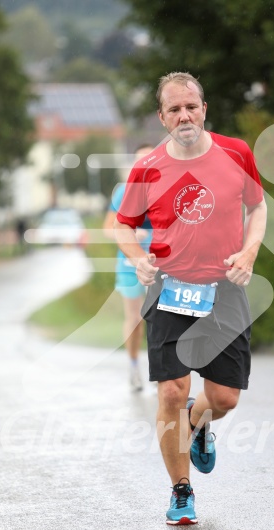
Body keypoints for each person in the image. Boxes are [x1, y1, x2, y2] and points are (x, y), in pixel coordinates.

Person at [114, 72, 267, 525]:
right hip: (170, 287)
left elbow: (257, 207)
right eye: (174, 109)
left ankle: (198, 424)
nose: (185, 115)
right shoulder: (147, 169)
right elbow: (124, 224)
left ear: (204, 109)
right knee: (171, 393)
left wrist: (250, 251)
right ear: (162, 118)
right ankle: (181, 492)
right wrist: (138, 257)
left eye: (191, 106)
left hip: (224, 289)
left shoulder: (236, 153)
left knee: (224, 398)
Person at [103, 145, 154, 391]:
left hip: (159, 264)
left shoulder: (166, 191)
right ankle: (133, 365)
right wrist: (130, 234)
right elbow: (107, 228)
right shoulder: (123, 193)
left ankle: (162, 371)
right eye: (140, 162)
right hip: (129, 264)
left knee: (160, 318)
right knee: (135, 319)